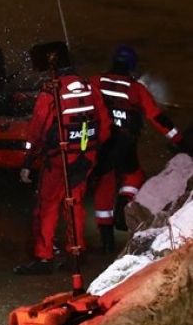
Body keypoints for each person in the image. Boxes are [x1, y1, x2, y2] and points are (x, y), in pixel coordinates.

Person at [14, 44, 110, 275]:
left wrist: (28, 161)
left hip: (59, 160)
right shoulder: (88, 86)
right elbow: (104, 124)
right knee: (74, 203)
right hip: (85, 156)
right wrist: (90, 150)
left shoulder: (51, 91)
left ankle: (44, 256)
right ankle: (76, 252)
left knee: (47, 206)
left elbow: (37, 129)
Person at [89, 45, 184, 252]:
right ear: (132, 65)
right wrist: (178, 139)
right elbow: (156, 117)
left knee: (104, 185)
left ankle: (106, 241)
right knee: (134, 177)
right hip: (124, 143)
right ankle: (124, 204)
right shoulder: (136, 89)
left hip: (99, 144)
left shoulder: (94, 81)